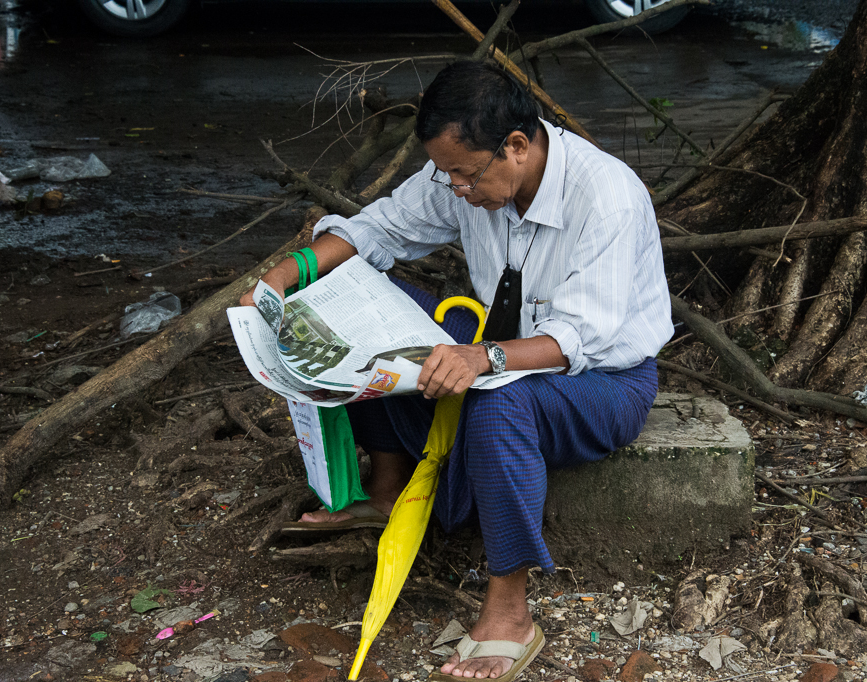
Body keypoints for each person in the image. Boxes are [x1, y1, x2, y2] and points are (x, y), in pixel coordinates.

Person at [240, 60, 673, 681]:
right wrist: (290, 274)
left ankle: (509, 609)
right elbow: (380, 228)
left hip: (602, 381)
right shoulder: (460, 172)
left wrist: (485, 358)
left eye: (465, 177)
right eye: (446, 175)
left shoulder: (605, 195)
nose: (455, 190)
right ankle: (386, 491)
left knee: (501, 403)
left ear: (517, 147)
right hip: (503, 352)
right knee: (371, 301)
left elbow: (583, 336)